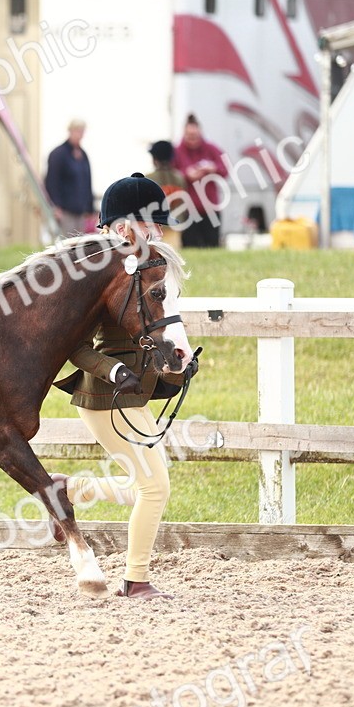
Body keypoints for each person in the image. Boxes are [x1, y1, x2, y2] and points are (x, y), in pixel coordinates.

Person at [52, 173, 199, 600]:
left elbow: (159, 327)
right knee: (155, 487)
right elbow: (76, 347)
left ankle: (68, 490)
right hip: (105, 395)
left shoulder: (148, 266)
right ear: (122, 229)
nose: (157, 232)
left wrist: (177, 364)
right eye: (150, 224)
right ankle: (136, 581)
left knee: (143, 483)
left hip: (136, 393)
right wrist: (112, 371)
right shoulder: (98, 276)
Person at [173, 114, 227, 248]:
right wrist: (186, 174)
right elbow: (172, 174)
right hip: (188, 210)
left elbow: (225, 168)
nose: (192, 139)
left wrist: (212, 168)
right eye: (189, 136)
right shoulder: (177, 152)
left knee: (213, 245)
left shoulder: (211, 149)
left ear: (200, 133)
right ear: (184, 134)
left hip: (211, 208)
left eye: (195, 136)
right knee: (190, 246)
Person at [44, 119, 95, 236]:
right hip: (65, 211)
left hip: (80, 211)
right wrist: (55, 206)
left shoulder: (83, 155)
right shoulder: (58, 154)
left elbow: (87, 182)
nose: (79, 134)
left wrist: (90, 208)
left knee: (80, 245)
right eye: (77, 131)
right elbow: (52, 181)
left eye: (82, 131)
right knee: (67, 243)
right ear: (70, 131)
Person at [145, 139, 186, 249]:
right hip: (175, 225)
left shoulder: (148, 178)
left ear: (155, 159)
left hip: (153, 226)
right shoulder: (179, 178)